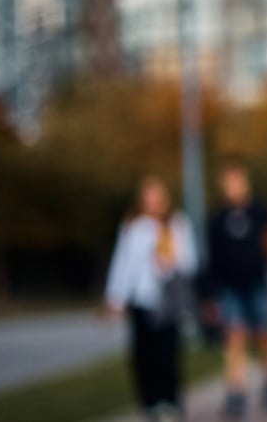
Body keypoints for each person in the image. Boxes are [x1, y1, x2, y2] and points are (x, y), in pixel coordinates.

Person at [104, 176, 197, 422]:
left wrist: (171, 262)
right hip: (142, 299)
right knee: (143, 356)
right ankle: (150, 403)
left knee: (168, 354)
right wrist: (116, 298)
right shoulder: (133, 226)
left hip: (168, 300)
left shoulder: (177, 224)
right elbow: (122, 263)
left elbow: (190, 262)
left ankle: (171, 401)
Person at [203, 158, 267, 420]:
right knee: (235, 338)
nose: (232, 187)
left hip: (260, 284)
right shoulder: (217, 220)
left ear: (245, 181)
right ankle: (236, 393)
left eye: (236, 181)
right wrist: (209, 296)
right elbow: (212, 260)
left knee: (265, 336)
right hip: (230, 288)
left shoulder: (263, 213)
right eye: (227, 182)